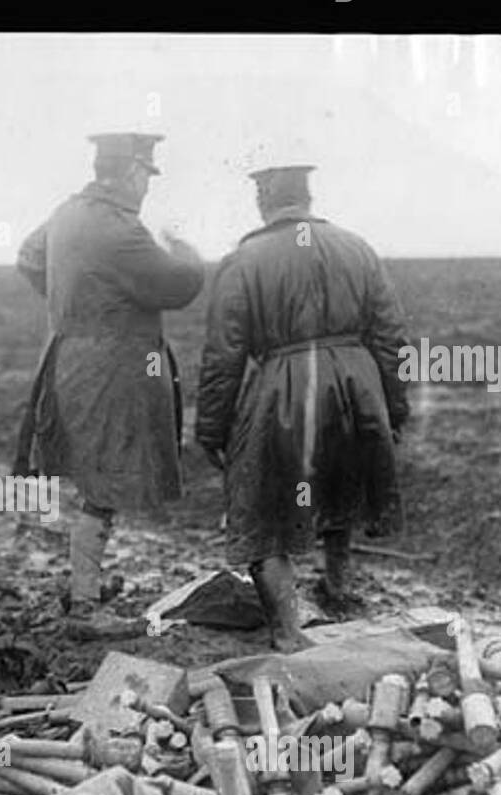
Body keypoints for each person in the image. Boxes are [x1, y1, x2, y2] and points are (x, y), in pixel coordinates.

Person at [195, 160, 411, 652]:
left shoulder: (245, 259)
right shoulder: (356, 248)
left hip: (284, 386)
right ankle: (338, 587)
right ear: (308, 198)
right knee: (344, 478)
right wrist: (392, 408)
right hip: (358, 383)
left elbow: (224, 354)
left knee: (262, 503)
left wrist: (212, 428)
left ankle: (288, 633)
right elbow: (393, 337)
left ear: (263, 200)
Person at [15, 132, 204, 637]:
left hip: (69, 356)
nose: (146, 186)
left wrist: (72, 299)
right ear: (129, 172)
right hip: (111, 366)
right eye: (145, 175)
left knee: (96, 475)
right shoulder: (122, 229)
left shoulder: (66, 213)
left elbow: (29, 257)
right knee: (103, 480)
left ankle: (84, 587)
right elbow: (175, 285)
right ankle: (84, 604)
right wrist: (189, 254)